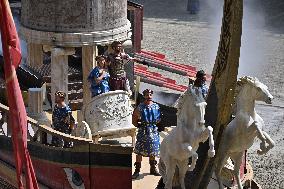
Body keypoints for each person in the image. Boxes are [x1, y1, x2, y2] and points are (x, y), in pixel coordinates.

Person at [132, 89, 161, 179]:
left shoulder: (156, 106)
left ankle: (153, 168)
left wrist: (154, 125)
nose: (149, 97)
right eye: (147, 95)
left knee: (153, 150)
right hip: (143, 131)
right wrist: (138, 125)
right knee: (139, 151)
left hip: (153, 131)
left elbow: (159, 119)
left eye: (150, 95)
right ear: (144, 96)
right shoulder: (140, 107)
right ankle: (137, 170)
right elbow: (134, 118)